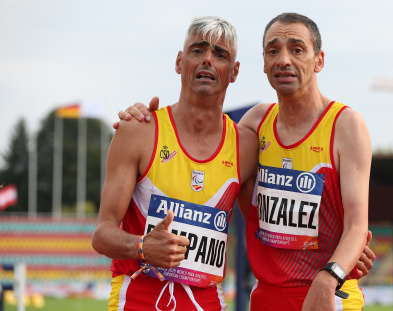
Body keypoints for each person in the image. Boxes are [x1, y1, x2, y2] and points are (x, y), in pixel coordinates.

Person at [118, 13, 374, 311]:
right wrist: (141, 119)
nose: (284, 60)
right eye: (273, 51)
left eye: (297, 49)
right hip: (266, 297)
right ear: (263, 63)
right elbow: (199, 137)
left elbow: (357, 225)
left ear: (319, 60)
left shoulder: (346, 125)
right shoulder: (254, 124)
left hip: (327, 294)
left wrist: (334, 272)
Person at [92, 16, 258, 311]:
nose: (207, 59)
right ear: (180, 62)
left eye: (220, 54)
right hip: (137, 300)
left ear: (234, 72)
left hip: (207, 302)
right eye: (198, 50)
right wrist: (142, 247)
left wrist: (341, 251)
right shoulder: (139, 130)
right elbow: (101, 235)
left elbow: (267, 228)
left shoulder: (245, 146)